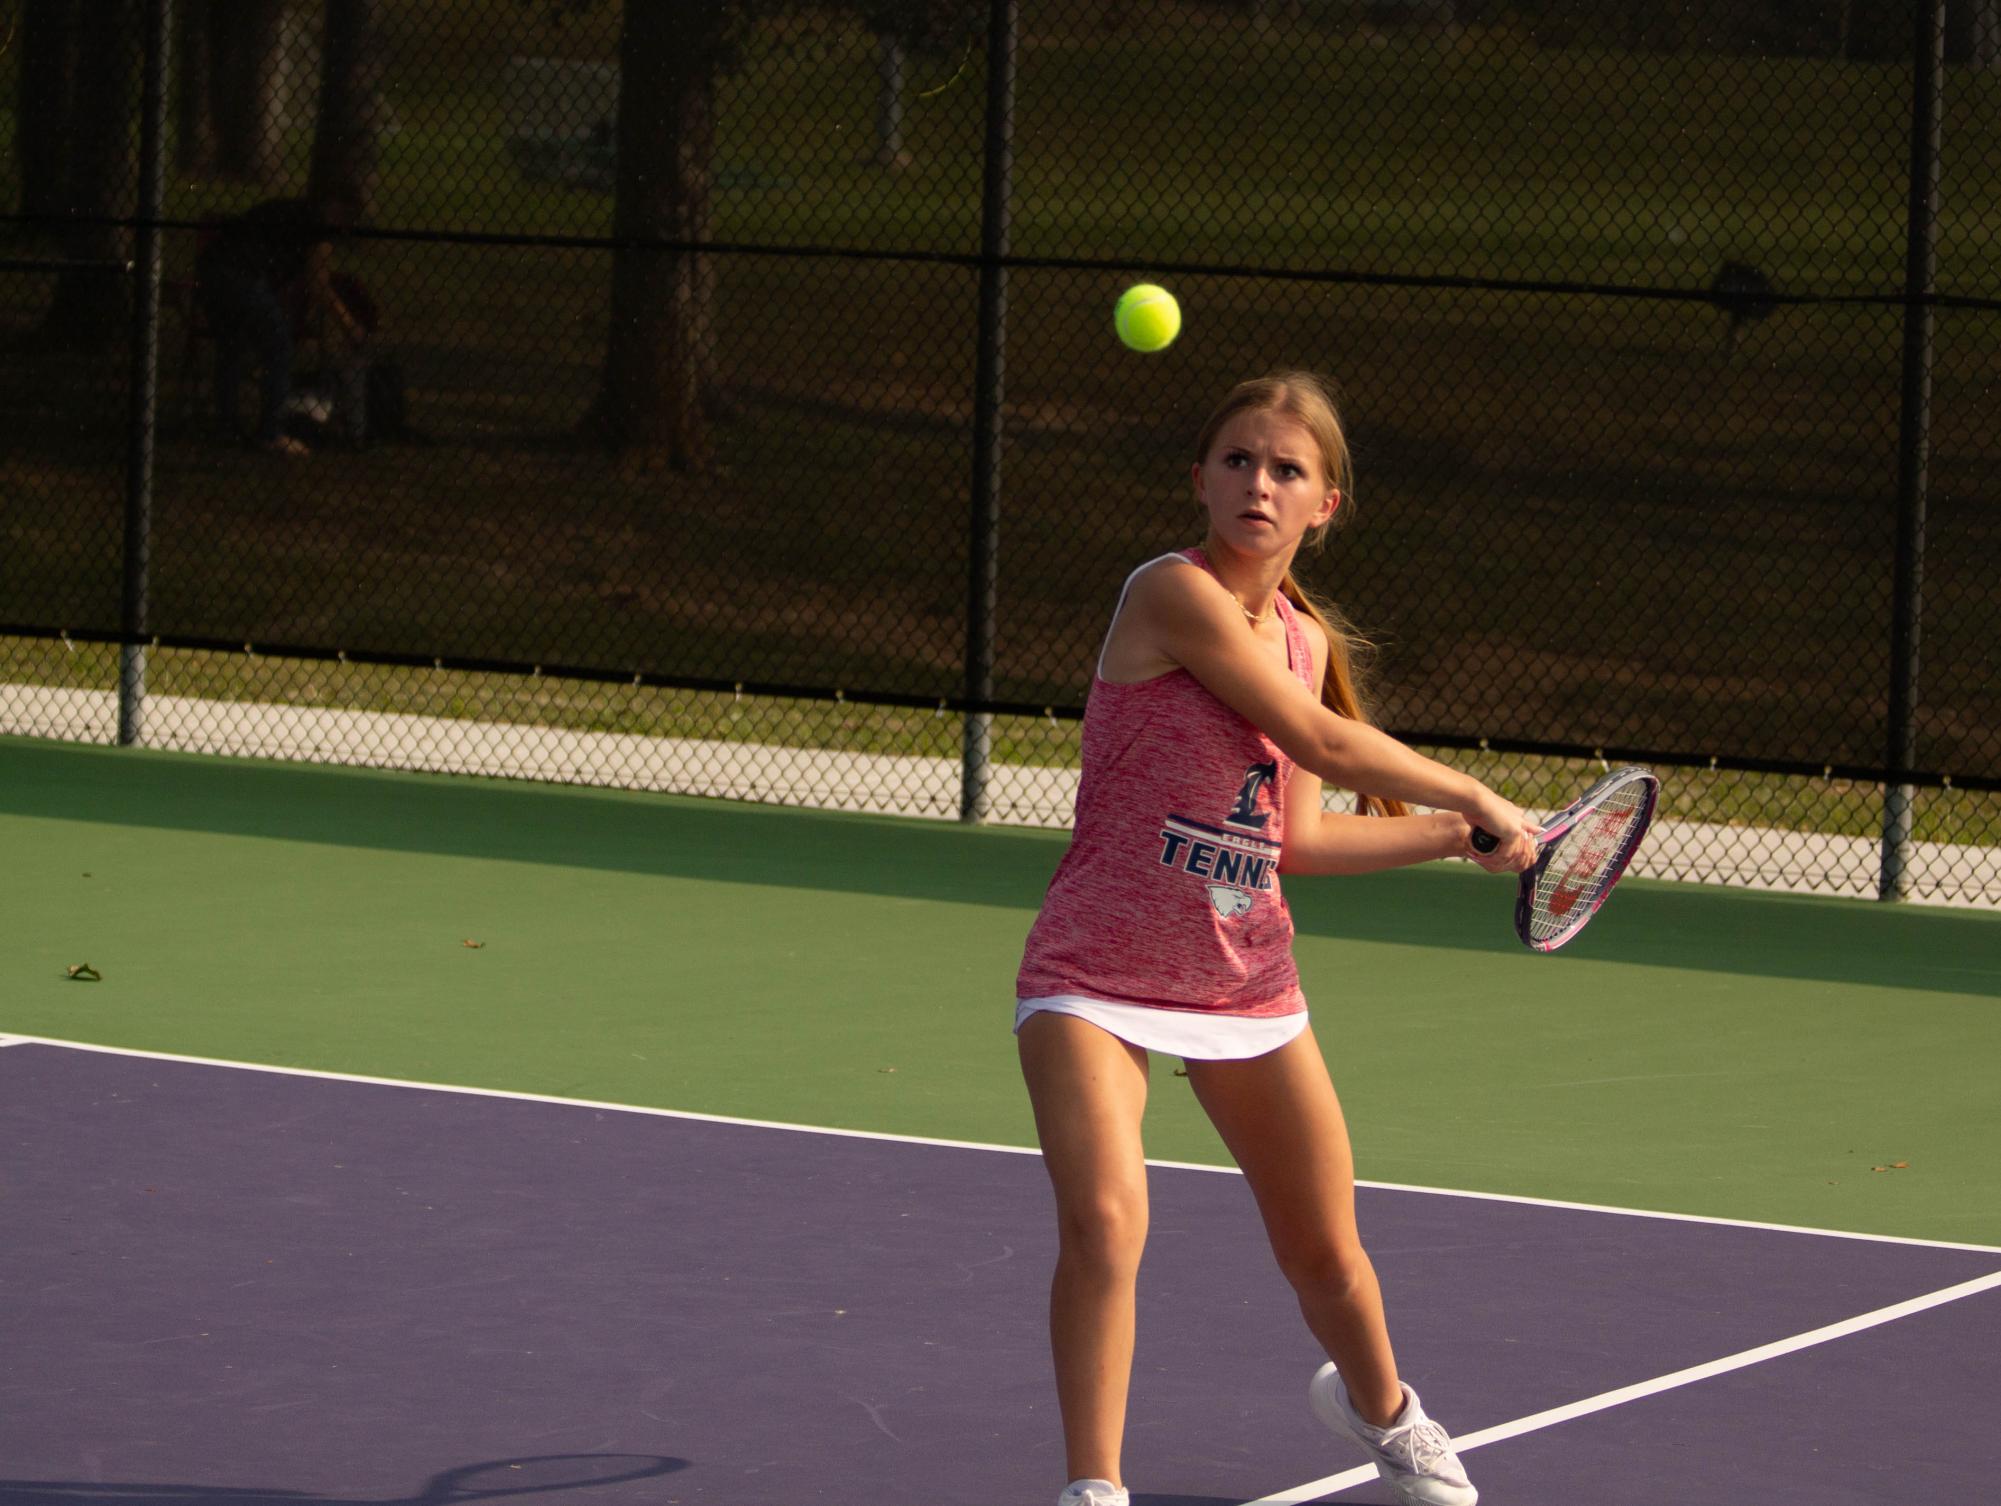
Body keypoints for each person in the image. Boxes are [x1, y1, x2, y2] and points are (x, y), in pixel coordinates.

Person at [1013, 372, 1540, 1506]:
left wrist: (1452, 836)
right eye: (1240, 461)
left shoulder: (1299, 639)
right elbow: (1320, 741)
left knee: (1326, 1260)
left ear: (1324, 507)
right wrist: (1476, 791)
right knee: (1106, 1221)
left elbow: (1295, 835)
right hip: (1093, 974)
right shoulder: (1171, 595)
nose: (1260, 483)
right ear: (1198, 480)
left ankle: (1386, 1415)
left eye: (1287, 470)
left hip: (1244, 980)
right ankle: (1093, 1488)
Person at [195, 194, 370, 455]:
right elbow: (319, 283)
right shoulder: (316, 224)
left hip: (213, 270)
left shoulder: (294, 212)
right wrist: (349, 324)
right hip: (242, 276)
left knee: (232, 349)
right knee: (279, 349)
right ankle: (271, 433)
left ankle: (227, 425)